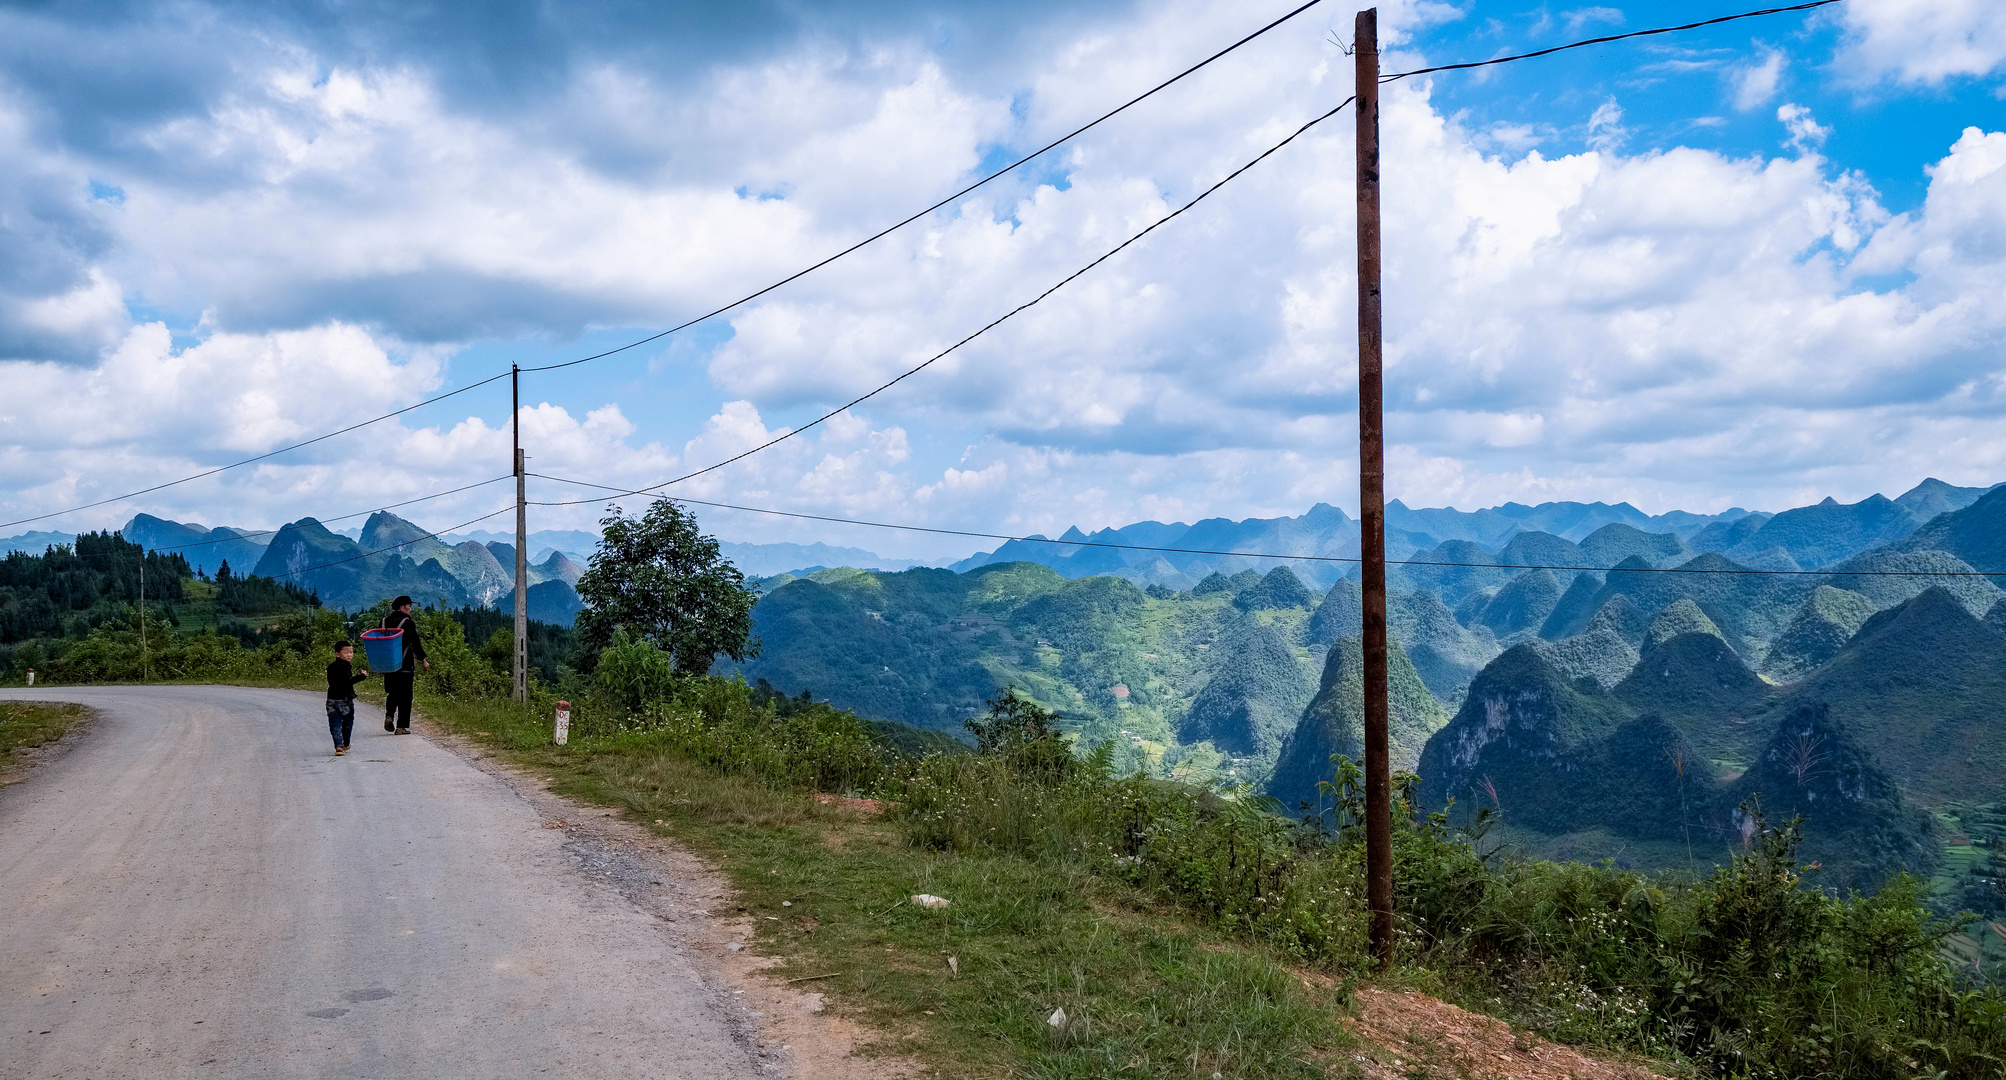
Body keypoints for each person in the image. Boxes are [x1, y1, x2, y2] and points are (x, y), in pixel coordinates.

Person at [378, 596, 429, 734]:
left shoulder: (383, 622)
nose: (410, 609)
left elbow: (379, 645)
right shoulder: (407, 623)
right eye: (409, 606)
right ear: (401, 607)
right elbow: (415, 643)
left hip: (388, 665)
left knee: (392, 693)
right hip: (404, 666)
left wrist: (379, 665)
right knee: (406, 696)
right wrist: (423, 659)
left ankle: (389, 715)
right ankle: (401, 727)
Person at [325, 641, 370, 755]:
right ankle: (345, 744)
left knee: (335, 723)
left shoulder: (331, 667)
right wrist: (362, 676)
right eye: (345, 652)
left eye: (351, 652)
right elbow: (347, 682)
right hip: (344, 700)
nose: (349, 655)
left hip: (331, 699)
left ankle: (338, 746)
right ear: (337, 654)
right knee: (347, 722)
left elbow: (332, 682)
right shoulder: (344, 666)